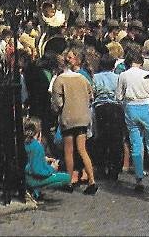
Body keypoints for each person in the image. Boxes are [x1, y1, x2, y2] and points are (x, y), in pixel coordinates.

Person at [51, 49, 97, 193]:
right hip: (83, 117)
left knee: (69, 151)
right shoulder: (82, 78)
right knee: (82, 150)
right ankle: (92, 180)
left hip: (68, 117)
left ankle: (69, 180)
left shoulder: (60, 80)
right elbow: (91, 96)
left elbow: (57, 103)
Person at [116, 47, 149, 192]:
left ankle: (139, 179)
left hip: (130, 109)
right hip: (146, 107)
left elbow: (119, 97)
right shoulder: (147, 75)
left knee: (136, 144)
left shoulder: (124, 75)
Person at [90, 52, 125, 180]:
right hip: (115, 107)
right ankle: (114, 168)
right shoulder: (118, 77)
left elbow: (92, 93)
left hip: (100, 108)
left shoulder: (95, 77)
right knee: (116, 139)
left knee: (101, 138)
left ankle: (101, 166)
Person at [23, 116, 72, 199]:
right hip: (34, 179)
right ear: (38, 132)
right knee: (66, 177)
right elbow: (39, 171)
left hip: (26, 176)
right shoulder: (37, 146)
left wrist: (44, 159)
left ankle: (35, 191)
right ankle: (36, 189)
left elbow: (30, 160)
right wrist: (52, 168)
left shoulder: (26, 143)